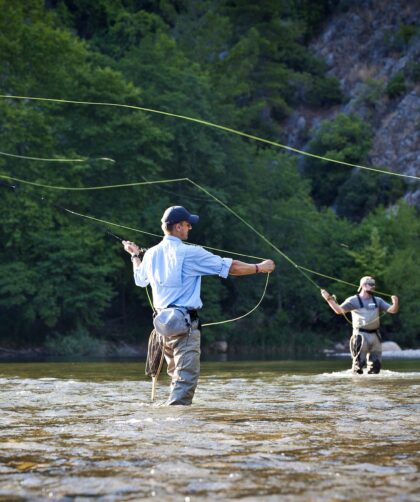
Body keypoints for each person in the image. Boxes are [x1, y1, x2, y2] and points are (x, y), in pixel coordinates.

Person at [123, 205, 275, 405]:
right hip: (184, 325)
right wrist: (260, 268)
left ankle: (169, 424)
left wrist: (135, 256)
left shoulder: (149, 254)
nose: (190, 228)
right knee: (185, 382)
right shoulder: (190, 253)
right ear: (177, 227)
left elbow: (139, 279)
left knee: (176, 378)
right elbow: (231, 267)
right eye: (187, 225)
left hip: (164, 328)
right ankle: (178, 426)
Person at [321, 276, 399, 374]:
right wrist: (328, 299)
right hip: (360, 335)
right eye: (370, 284)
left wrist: (395, 303)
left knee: (376, 367)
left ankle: (374, 388)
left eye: (373, 285)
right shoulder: (353, 300)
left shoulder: (378, 300)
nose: (373, 286)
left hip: (375, 336)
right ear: (363, 285)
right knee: (359, 366)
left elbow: (392, 310)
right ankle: (358, 387)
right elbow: (339, 310)